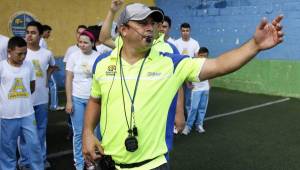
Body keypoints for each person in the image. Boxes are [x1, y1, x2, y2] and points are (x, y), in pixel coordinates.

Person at [98, 1, 185, 158]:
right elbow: (104, 38)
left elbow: (177, 81)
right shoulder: (129, 43)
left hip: (158, 112)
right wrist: (112, 12)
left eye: (158, 24)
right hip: (130, 111)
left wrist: (179, 112)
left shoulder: (169, 49)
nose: (153, 27)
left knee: (157, 150)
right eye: (147, 23)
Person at [0, 36, 43, 170]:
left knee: (34, 146)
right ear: (9, 51)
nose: (23, 56)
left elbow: (32, 86)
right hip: (7, 116)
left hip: (27, 115)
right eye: (19, 54)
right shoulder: (2, 67)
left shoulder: (29, 65)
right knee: (7, 149)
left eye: (25, 53)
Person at [18, 21, 56, 169]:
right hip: (24, 100)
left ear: (40, 35)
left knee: (40, 130)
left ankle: (41, 159)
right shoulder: (21, 52)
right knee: (24, 132)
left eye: (33, 32)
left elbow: (52, 66)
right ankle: (25, 162)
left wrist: (46, 80)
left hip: (41, 98)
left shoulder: (47, 53)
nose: (29, 35)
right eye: (27, 32)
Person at [65, 30, 100, 170]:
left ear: (93, 43)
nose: (82, 45)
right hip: (77, 99)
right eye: (80, 42)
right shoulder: (73, 56)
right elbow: (68, 78)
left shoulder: (98, 57)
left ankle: (91, 161)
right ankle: (79, 163)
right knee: (78, 132)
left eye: (86, 42)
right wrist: (69, 100)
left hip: (95, 100)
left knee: (94, 132)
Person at [182, 47, 210, 135]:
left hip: (205, 89)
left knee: (202, 108)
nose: (203, 58)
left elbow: (211, 74)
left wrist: (209, 85)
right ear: (198, 54)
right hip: (196, 89)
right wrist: (188, 84)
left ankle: (199, 125)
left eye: (205, 56)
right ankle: (188, 127)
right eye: (201, 55)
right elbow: (186, 73)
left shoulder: (208, 63)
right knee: (193, 108)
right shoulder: (193, 63)